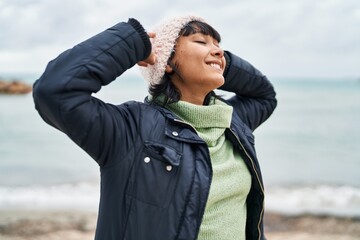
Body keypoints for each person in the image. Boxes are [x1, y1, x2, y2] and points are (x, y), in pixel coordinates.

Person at [33, 15, 277, 240]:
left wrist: (220, 63)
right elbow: (55, 92)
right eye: (201, 41)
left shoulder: (232, 123)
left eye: (218, 44)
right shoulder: (131, 130)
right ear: (167, 60)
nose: (217, 50)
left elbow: (264, 95)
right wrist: (132, 42)